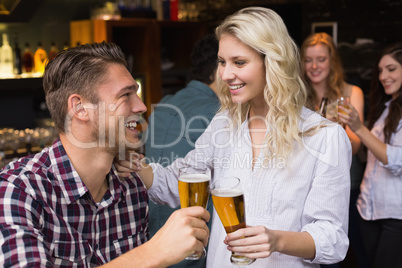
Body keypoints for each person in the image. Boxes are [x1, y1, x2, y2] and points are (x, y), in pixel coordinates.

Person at [117, 7, 352, 267]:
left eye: (239, 62)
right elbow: (180, 180)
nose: (226, 74)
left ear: (273, 61)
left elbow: (332, 239)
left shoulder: (324, 136)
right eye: (222, 62)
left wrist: (277, 240)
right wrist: (136, 166)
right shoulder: (224, 124)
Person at [0, 42, 210, 267]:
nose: (141, 106)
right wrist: (155, 252)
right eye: (125, 95)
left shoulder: (131, 185)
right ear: (80, 108)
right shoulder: (19, 191)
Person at [145, 33, 219, 267]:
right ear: (219, 71)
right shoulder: (218, 113)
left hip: (152, 238)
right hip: (192, 245)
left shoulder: (164, 103)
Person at [300, 33, 369, 268]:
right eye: (308, 60)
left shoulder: (351, 93)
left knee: (350, 249)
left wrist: (336, 131)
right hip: (306, 183)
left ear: (332, 61)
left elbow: (356, 144)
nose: (314, 66)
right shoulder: (299, 96)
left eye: (320, 59)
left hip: (346, 183)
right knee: (313, 247)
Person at [339, 42, 402, 268]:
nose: (383, 76)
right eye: (380, 70)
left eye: (391, 69)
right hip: (368, 209)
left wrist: (358, 128)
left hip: (395, 214)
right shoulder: (387, 107)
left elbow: (396, 160)